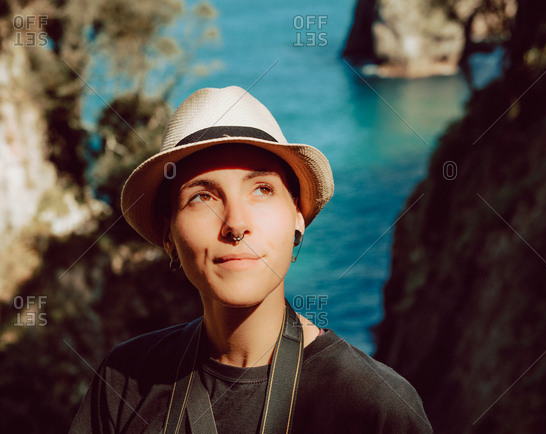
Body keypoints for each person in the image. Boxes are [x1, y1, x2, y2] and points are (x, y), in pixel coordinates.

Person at [69, 86, 433, 433]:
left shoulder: (376, 407)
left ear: (297, 218)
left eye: (262, 190)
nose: (236, 225)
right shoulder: (125, 380)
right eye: (202, 197)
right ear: (169, 236)